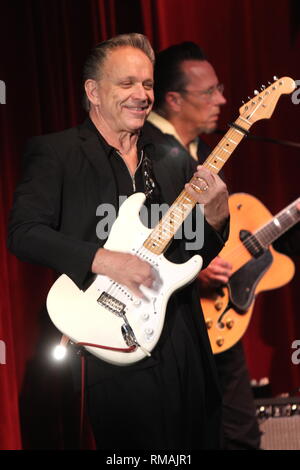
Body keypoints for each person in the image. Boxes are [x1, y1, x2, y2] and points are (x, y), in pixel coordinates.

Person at [7, 33, 230, 450]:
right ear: (93, 91)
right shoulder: (57, 154)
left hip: (184, 340)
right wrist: (105, 260)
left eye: (147, 84)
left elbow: (195, 251)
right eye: (126, 84)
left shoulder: (170, 156)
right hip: (112, 340)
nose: (141, 95)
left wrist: (216, 214)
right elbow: (23, 234)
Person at [144, 41, 300, 450]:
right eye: (209, 92)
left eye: (221, 88)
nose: (223, 100)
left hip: (218, 324)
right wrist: (195, 268)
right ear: (173, 100)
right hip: (165, 327)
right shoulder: (144, 156)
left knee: (240, 436)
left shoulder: (206, 153)